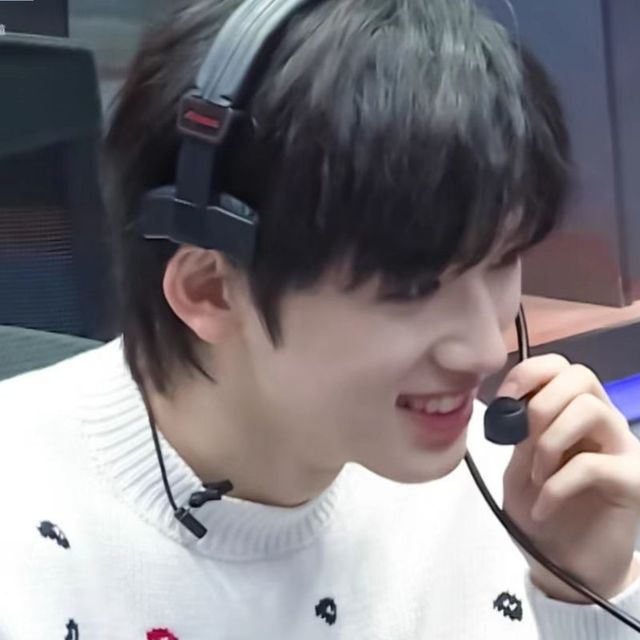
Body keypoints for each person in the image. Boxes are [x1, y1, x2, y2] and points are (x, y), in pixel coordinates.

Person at [2, 0, 640, 637]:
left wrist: (584, 593)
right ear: (211, 291)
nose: (483, 351)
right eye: (411, 287)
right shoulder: (24, 541)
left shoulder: (519, 491)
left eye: (504, 260)